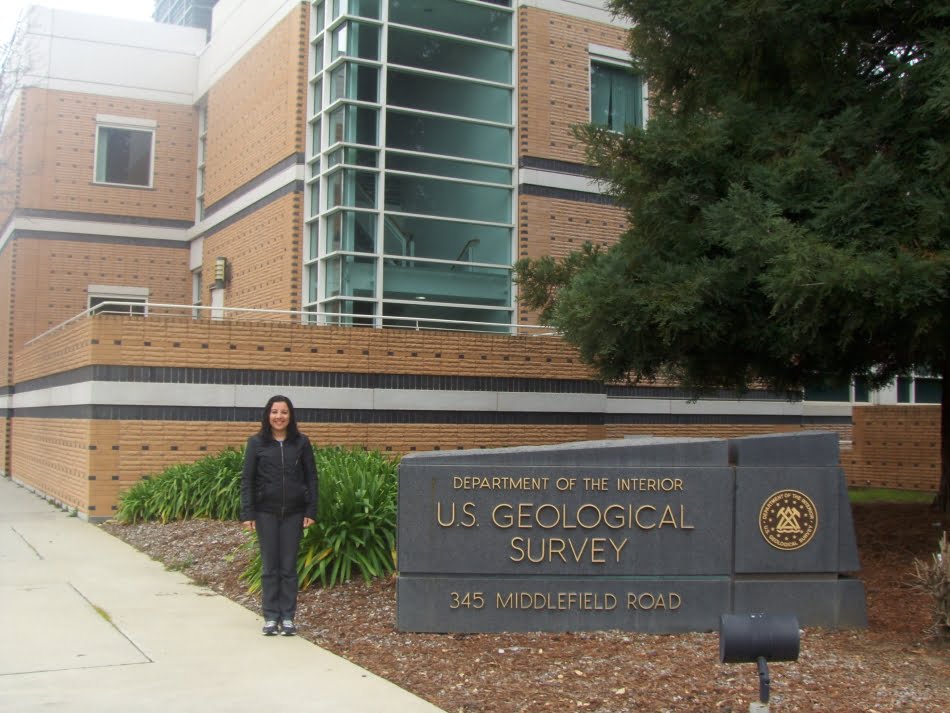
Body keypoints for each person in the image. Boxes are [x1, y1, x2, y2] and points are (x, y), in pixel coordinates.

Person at [240, 395, 318, 636]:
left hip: (294, 514)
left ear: (290, 416)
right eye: (275, 412)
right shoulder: (256, 444)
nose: (279, 416)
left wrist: (311, 510)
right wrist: (247, 513)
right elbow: (247, 480)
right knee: (269, 567)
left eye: (284, 412)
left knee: (288, 567)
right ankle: (271, 617)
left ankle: (288, 618)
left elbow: (311, 478)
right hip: (265, 513)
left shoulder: (301, 443)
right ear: (268, 415)